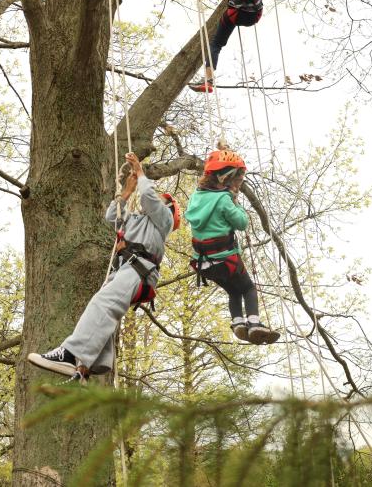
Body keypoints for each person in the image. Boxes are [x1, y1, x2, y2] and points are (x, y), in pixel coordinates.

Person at [27, 153, 180, 380]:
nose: (157, 198)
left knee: (104, 304)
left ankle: (69, 353)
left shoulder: (163, 223)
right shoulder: (137, 221)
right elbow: (112, 216)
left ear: (168, 209)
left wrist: (140, 172)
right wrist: (126, 193)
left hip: (139, 271)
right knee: (103, 307)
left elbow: (148, 196)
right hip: (127, 271)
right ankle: (90, 363)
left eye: (162, 199)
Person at [184, 150, 279, 344]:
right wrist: (237, 203)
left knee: (234, 291)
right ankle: (254, 324)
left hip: (204, 264)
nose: (237, 183)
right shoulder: (224, 200)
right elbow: (241, 223)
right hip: (226, 260)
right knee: (248, 289)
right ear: (226, 178)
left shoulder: (196, 196)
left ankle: (237, 323)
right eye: (235, 178)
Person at [190, 0, 263, 93]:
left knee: (216, 45)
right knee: (216, 44)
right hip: (254, 16)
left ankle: (209, 81)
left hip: (235, 15)